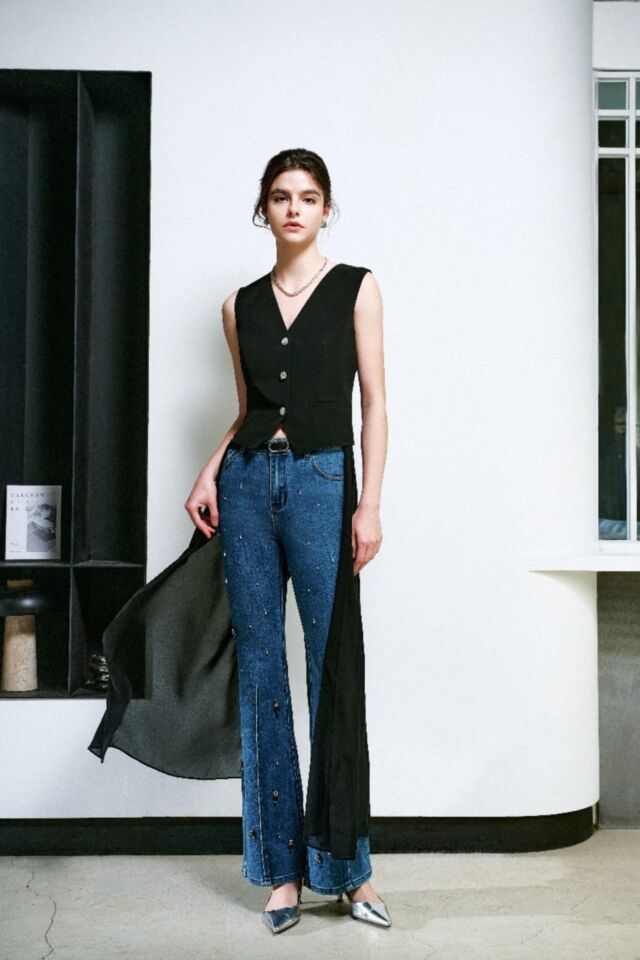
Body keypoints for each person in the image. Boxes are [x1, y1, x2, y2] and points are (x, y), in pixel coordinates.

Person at [184, 148, 389, 934]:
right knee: (263, 676)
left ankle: (349, 869)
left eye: (307, 196)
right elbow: (246, 409)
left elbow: (375, 404)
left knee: (335, 669)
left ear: (327, 209)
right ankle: (280, 874)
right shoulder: (237, 306)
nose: (294, 208)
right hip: (245, 486)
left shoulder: (357, 288)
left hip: (322, 483)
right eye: (280, 196)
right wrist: (210, 471)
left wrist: (369, 504)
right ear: (263, 210)